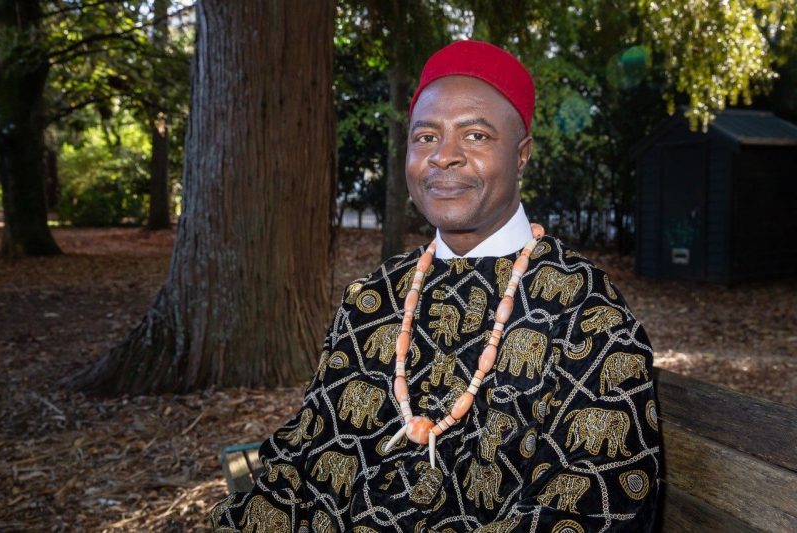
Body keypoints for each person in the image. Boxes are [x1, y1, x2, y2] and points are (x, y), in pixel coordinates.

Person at [211, 40, 660, 532]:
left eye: (475, 136)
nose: (444, 156)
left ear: (523, 155)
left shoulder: (588, 315)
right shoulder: (374, 297)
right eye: (425, 137)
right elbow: (306, 456)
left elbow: (590, 504)